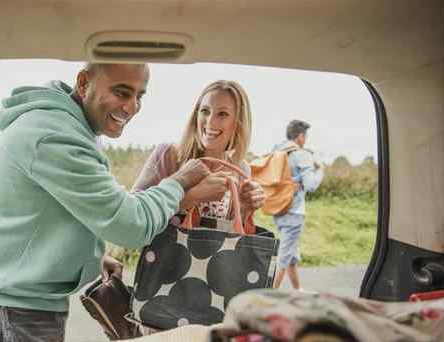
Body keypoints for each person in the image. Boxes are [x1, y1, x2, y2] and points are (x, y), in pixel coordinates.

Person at [0, 63, 218, 342]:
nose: (131, 108)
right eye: (122, 92)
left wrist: (90, 257)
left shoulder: (73, 126)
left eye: (139, 96)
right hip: (13, 307)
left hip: (22, 302)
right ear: (83, 83)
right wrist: (179, 183)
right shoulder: (53, 135)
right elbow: (130, 224)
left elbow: (63, 209)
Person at [133, 80, 266, 225]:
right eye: (205, 111)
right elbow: (133, 215)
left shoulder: (240, 168)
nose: (210, 122)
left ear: (238, 122)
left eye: (222, 114)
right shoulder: (168, 154)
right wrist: (193, 197)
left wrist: (245, 207)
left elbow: (230, 235)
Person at [271, 119, 324, 291]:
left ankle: (298, 290)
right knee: (284, 257)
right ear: (300, 136)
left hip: (278, 209)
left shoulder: (277, 151)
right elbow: (311, 185)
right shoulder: (302, 154)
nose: (305, 140)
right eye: (305, 136)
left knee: (291, 254)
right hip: (294, 212)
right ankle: (269, 294)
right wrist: (320, 169)